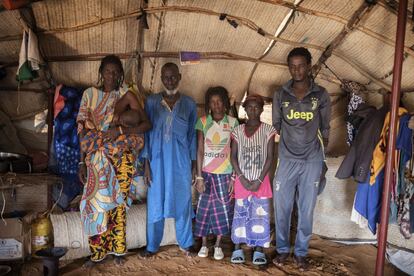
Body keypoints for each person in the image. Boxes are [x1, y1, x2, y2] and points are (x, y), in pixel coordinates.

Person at [77, 55, 151, 267]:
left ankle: (118, 248)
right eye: (108, 71)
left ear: (121, 75)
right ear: (101, 72)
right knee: (95, 204)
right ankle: (97, 252)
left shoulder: (127, 96)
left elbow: (146, 124)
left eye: (116, 72)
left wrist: (120, 130)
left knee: (118, 203)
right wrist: (82, 162)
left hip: (122, 157)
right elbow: (82, 130)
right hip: (96, 157)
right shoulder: (89, 95)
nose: (112, 75)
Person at [272, 47, 331, 271]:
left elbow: (325, 129)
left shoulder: (321, 94)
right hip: (287, 159)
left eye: (301, 65)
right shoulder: (281, 94)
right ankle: (282, 250)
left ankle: (301, 253)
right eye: (292, 66)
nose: (297, 70)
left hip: (312, 160)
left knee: (306, 209)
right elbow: (277, 125)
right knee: (282, 207)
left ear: (309, 65)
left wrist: (321, 161)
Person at [141, 62, 197, 257]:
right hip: (156, 162)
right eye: (165, 77)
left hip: (181, 164)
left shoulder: (189, 104)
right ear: (161, 79)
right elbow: (145, 135)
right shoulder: (151, 102)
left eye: (173, 76)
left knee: (182, 201)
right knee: (155, 203)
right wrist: (146, 164)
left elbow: (192, 137)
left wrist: (193, 166)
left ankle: (186, 242)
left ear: (180, 77)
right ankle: (152, 246)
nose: (169, 80)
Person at [230, 94, 276, 266]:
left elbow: (270, 157)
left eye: (257, 107)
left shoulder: (268, 130)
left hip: (261, 181)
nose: (253, 110)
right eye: (249, 107)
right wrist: (241, 177)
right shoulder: (237, 131)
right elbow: (233, 157)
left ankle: (259, 249)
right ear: (244, 109)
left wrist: (258, 179)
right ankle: (237, 247)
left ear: (262, 109)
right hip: (241, 181)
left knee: (260, 216)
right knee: (240, 214)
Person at [194, 86, 238, 260]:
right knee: (203, 208)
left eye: (219, 101)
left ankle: (218, 245)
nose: (216, 105)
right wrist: (198, 177)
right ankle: (204, 244)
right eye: (212, 102)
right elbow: (199, 150)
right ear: (208, 105)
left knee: (223, 208)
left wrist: (233, 177)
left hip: (225, 173)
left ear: (225, 103)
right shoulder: (203, 122)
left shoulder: (233, 123)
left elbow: (235, 151)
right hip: (205, 172)